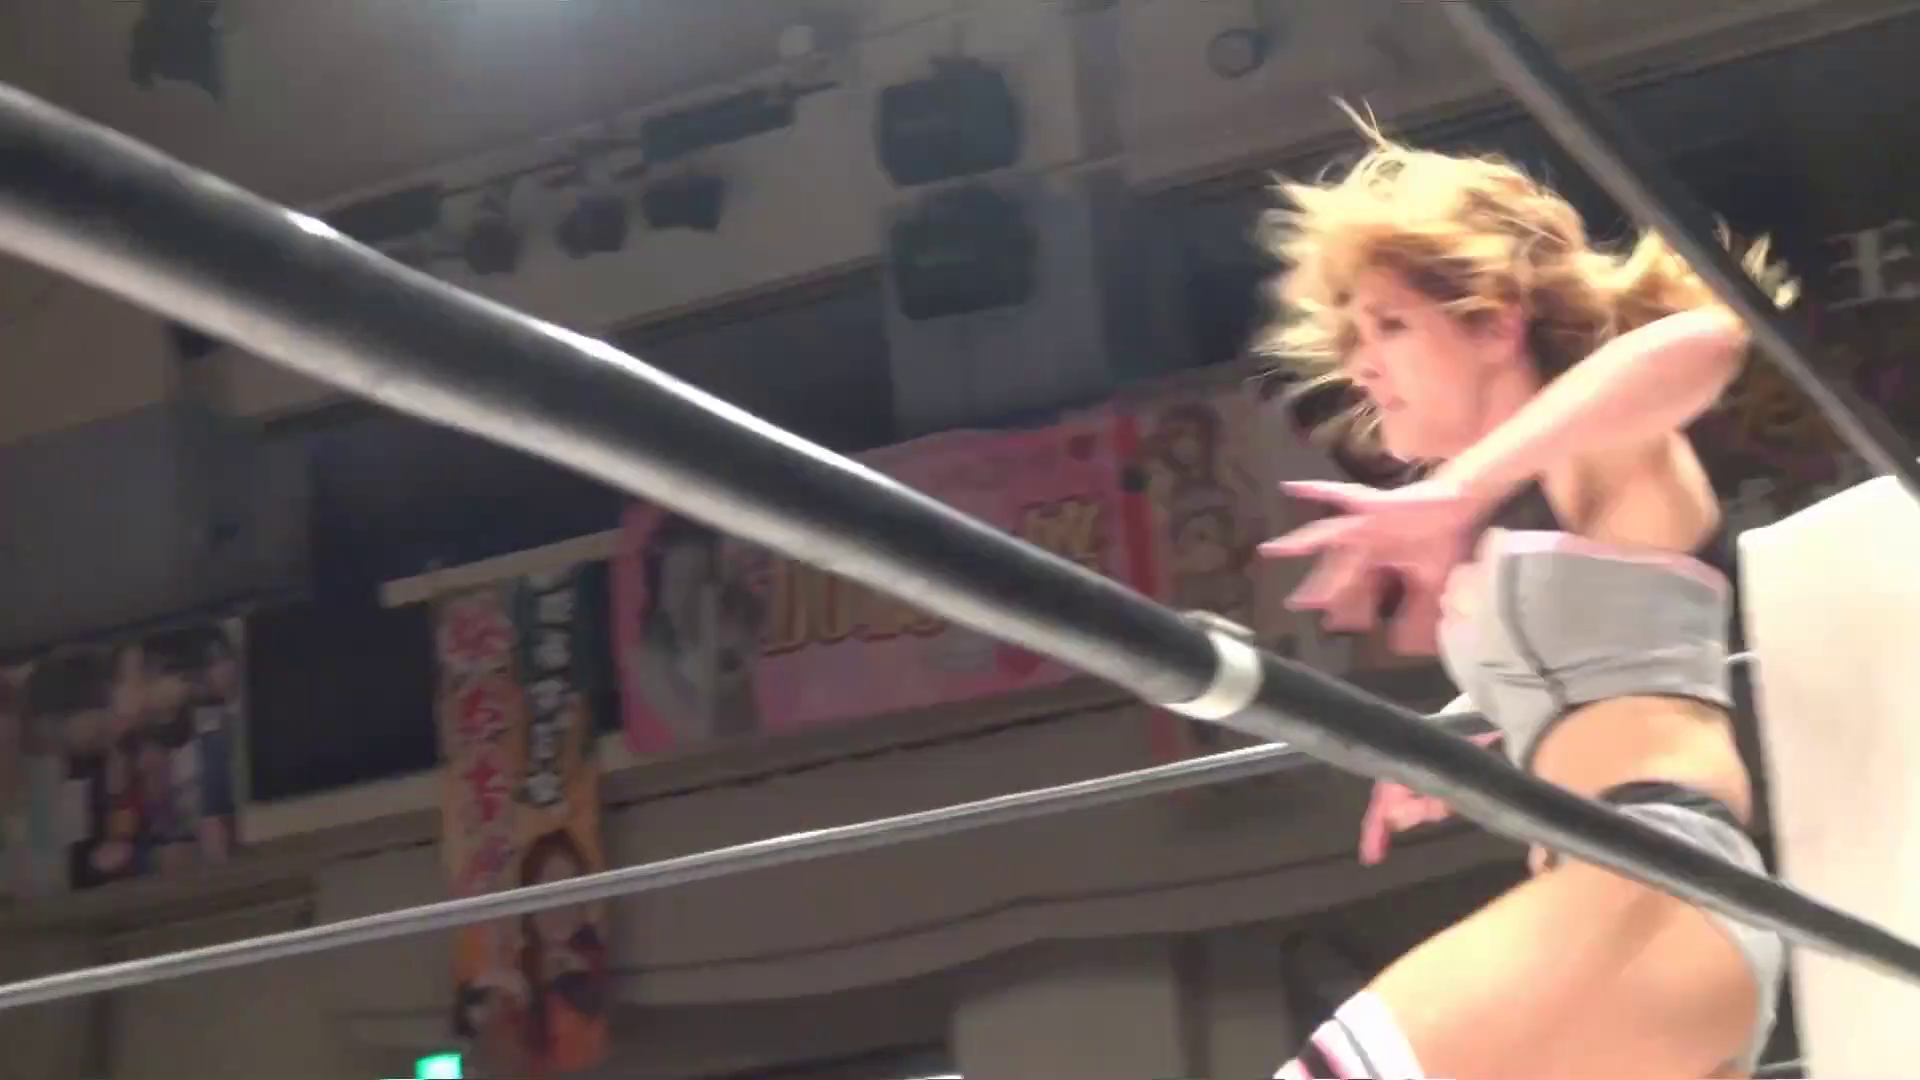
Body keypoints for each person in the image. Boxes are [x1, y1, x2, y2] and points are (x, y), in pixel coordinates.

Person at [1254, 109, 1796, 1079]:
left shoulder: (1598, 453)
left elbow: (1709, 340)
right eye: (1355, 335)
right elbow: (1605, 681)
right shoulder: (1531, 509)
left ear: (1498, 323)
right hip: (1631, 914)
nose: (1362, 363)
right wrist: (1461, 742)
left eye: (1391, 324)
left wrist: (1460, 490)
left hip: (1653, 887)